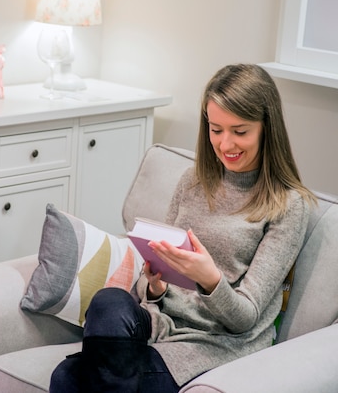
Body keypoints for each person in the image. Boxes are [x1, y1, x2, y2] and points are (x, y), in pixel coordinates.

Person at [50, 63, 316, 392]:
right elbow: (153, 293)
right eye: (215, 129)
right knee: (108, 301)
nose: (226, 143)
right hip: (158, 325)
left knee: (67, 379)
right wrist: (156, 286)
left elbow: (245, 317)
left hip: (214, 343)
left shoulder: (287, 205)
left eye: (240, 131)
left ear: (267, 128)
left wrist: (209, 278)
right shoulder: (193, 181)